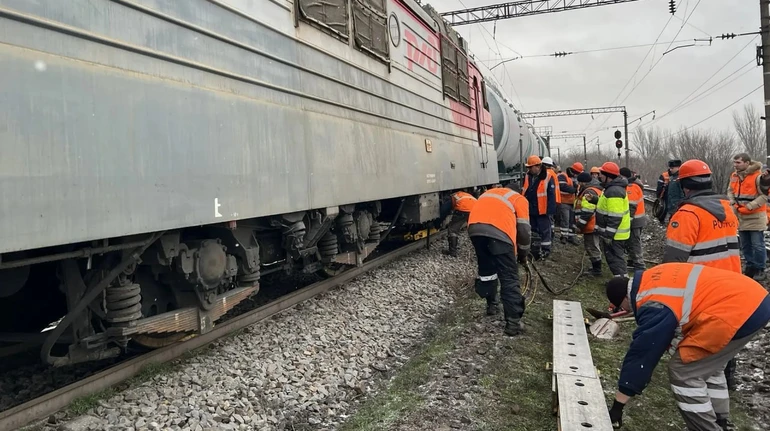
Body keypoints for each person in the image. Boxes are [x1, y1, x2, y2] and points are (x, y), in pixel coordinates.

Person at [604, 263, 770, 431]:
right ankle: (720, 420)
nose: (624, 311)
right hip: (754, 299)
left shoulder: (652, 303)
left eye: (621, 307)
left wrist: (618, 405)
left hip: (736, 312)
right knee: (707, 365)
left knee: (683, 370)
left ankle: (705, 428)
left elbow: (643, 353)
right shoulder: (652, 276)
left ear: (625, 298)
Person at [467, 186, 531, 336]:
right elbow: (524, 231)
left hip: (475, 230)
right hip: (499, 233)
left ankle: (492, 305)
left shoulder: (489, 194)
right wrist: (523, 254)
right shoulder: (519, 199)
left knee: (487, 271)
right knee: (509, 277)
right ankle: (513, 323)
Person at [727, 153, 769, 281]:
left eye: (738, 162)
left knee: (758, 244)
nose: (735, 165)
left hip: (755, 216)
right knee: (745, 244)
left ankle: (760, 268)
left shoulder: (758, 177)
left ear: (747, 163)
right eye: (734, 162)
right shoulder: (734, 176)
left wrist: (749, 207)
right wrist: (733, 203)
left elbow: (764, 196)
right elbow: (730, 190)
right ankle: (750, 266)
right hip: (741, 216)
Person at [595, 162, 631, 277]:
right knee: (614, 258)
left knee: (616, 259)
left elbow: (615, 216)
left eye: (601, 174)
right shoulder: (612, 189)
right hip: (615, 233)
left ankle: (622, 283)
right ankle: (620, 281)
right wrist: (594, 200)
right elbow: (608, 206)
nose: (599, 176)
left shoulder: (614, 191)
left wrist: (608, 235)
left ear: (608, 176)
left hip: (615, 234)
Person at [523, 155, 557, 259]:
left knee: (545, 230)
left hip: (543, 210)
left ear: (537, 166)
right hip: (531, 208)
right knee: (533, 229)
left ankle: (545, 250)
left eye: (530, 167)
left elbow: (551, 195)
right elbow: (525, 191)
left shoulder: (547, 176)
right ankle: (535, 249)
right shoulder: (528, 176)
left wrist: (550, 210)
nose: (528, 169)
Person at [574, 171, 604, 276]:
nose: (579, 184)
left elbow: (587, 211)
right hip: (595, 224)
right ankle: (596, 267)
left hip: (591, 225)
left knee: (591, 246)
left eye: (580, 182)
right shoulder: (596, 189)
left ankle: (597, 270)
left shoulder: (588, 192)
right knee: (594, 246)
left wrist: (579, 225)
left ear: (583, 182)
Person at [620, 167, 647, 271]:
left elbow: (631, 206)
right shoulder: (634, 185)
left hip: (635, 220)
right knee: (632, 242)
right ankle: (632, 262)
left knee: (634, 243)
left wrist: (629, 220)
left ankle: (639, 265)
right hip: (637, 219)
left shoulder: (631, 187)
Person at [439, 190, 477, 257]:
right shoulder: (467, 195)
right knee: (475, 230)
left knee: (453, 230)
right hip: (474, 210)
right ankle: (479, 251)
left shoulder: (454, 196)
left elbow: (444, 210)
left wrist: (438, 222)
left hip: (462, 210)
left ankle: (452, 252)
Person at [557, 162, 583, 245]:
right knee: (565, 219)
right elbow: (562, 186)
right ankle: (564, 237)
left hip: (572, 202)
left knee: (572, 221)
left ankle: (571, 236)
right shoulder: (562, 176)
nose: (576, 175)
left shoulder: (574, 179)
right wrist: (574, 189)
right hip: (564, 201)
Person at [657, 159, 684, 224]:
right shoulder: (672, 178)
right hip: (671, 207)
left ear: (678, 167)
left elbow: (683, 194)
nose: (670, 169)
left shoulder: (681, 179)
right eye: (670, 168)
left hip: (677, 208)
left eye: (672, 168)